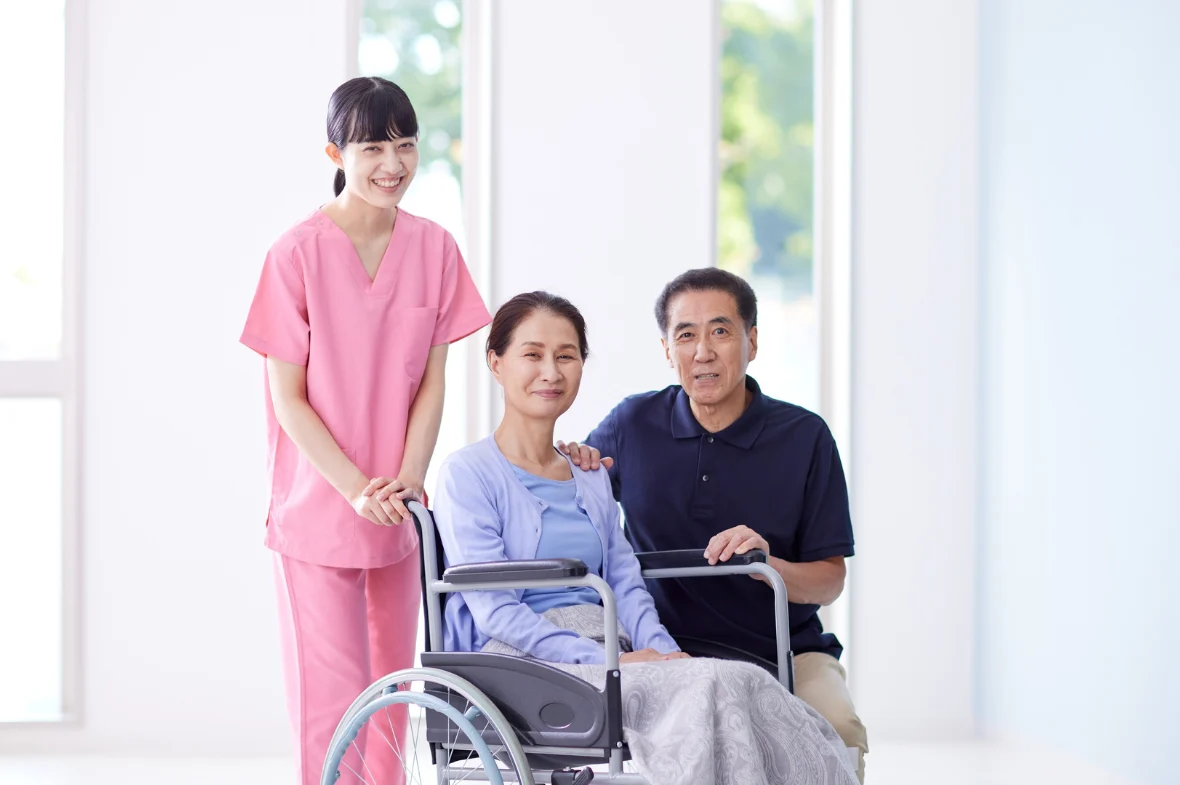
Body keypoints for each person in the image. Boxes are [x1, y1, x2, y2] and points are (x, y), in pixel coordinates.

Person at [433, 292, 858, 785]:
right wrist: (616, 659)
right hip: (527, 660)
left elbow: (625, 580)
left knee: (738, 681)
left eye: (566, 356)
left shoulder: (588, 475)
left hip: (613, 645)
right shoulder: (468, 473)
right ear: (496, 363)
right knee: (711, 685)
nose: (550, 371)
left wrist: (661, 652)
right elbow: (495, 613)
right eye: (532, 354)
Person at [240, 76, 491, 785]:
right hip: (320, 507)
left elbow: (433, 379)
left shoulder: (436, 249)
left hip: (397, 506)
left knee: (393, 691)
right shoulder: (295, 255)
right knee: (332, 696)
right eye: (375, 146)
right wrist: (353, 488)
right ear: (335, 152)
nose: (394, 163)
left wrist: (410, 475)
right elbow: (287, 397)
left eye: (406, 145)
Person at [562, 268, 869, 782]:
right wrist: (566, 463)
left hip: (783, 649)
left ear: (752, 340)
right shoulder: (632, 424)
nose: (703, 350)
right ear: (667, 350)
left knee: (837, 727)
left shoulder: (805, 437)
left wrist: (766, 564)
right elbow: (567, 500)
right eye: (686, 335)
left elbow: (830, 580)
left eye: (720, 331)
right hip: (666, 649)